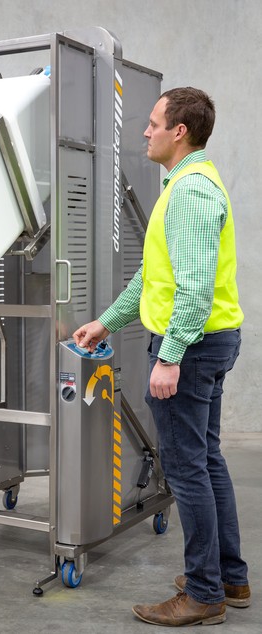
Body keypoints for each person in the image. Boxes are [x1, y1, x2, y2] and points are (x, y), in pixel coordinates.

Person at [73, 87, 250, 627]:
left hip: (191, 347)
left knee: (186, 470)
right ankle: (230, 577)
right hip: (207, 342)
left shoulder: (191, 191)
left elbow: (194, 291)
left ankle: (203, 594)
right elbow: (156, 278)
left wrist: (169, 356)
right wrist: (108, 320)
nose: (144, 131)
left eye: (153, 123)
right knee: (207, 460)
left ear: (180, 132)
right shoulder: (185, 184)